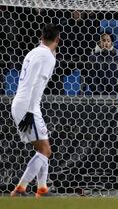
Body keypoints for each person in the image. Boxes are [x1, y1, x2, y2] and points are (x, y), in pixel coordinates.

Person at [10, 24, 60, 197]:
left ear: (41, 36)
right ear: (58, 39)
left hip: (21, 102)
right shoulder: (48, 56)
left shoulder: (32, 52)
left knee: (44, 149)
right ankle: (20, 188)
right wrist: (31, 110)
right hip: (28, 106)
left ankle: (42, 188)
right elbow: (36, 84)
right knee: (45, 151)